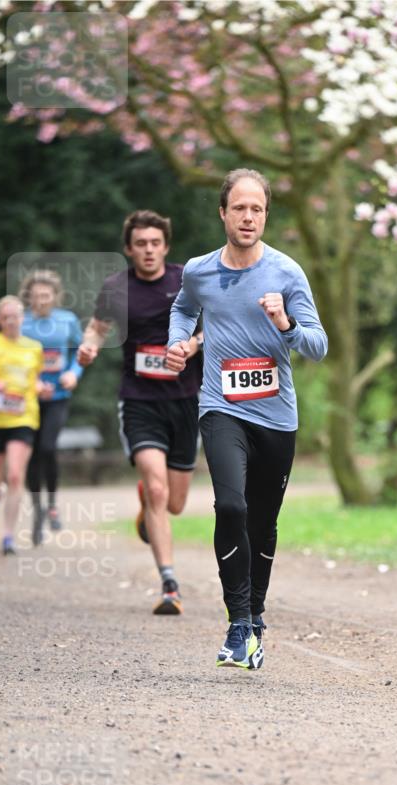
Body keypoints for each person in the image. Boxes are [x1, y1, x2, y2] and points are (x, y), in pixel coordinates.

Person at [166, 168, 328, 669]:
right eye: (240, 207)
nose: (248, 217)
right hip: (220, 408)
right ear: (223, 213)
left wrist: (286, 322)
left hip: (276, 418)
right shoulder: (198, 270)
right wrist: (178, 342)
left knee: (262, 522)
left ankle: (255, 618)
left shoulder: (286, 273)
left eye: (257, 208)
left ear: (266, 214)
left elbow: (318, 346)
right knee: (230, 506)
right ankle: (238, 624)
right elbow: (182, 309)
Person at [78, 210, 202, 615]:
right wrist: (90, 345)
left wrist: (194, 344)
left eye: (155, 243)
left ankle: (147, 506)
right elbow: (97, 326)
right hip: (139, 400)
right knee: (158, 487)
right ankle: (170, 585)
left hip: (185, 400)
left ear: (165, 246)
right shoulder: (116, 287)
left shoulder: (187, 279)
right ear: (129, 249)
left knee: (176, 503)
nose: (148, 250)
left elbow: (216, 323)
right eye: (141, 244)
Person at [0, 295, 46, 555]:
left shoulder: (33, 347)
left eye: (15, 316)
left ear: (22, 318)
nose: (10, 321)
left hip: (23, 417)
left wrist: (42, 388)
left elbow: (34, 381)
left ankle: (8, 537)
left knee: (16, 474)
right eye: (5, 317)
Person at [19, 269, 84, 545]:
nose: (41, 301)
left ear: (55, 297)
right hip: (28, 399)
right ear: (29, 298)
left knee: (48, 447)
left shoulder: (67, 320)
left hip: (58, 396)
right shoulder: (21, 323)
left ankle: (54, 503)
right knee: (32, 455)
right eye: (36, 297)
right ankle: (37, 513)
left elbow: (81, 354)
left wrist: (73, 374)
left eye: (46, 296)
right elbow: (14, 358)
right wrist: (29, 382)